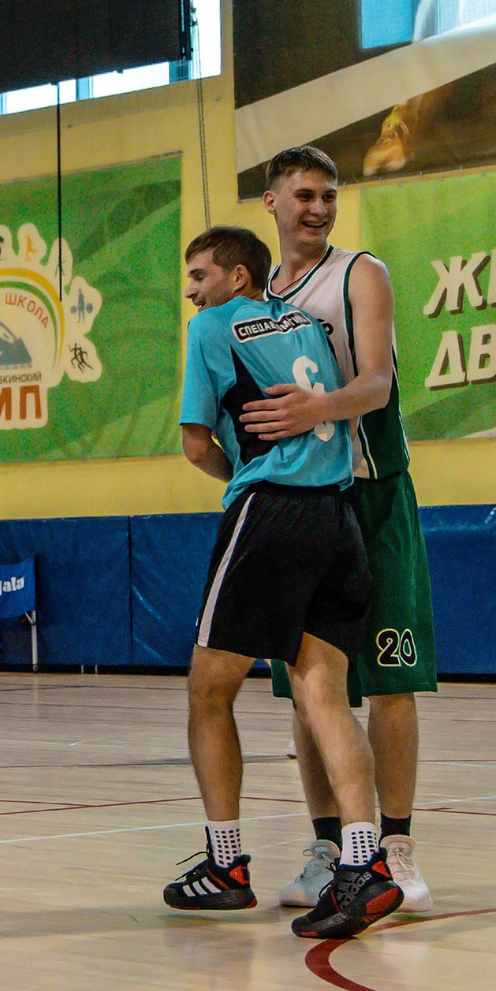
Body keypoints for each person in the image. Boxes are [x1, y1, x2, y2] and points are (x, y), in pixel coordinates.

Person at [171, 219, 399, 941]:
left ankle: (226, 864)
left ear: (238, 277)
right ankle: (365, 863)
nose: (192, 291)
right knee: (324, 693)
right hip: (339, 519)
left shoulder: (212, 330)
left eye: (200, 276)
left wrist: (237, 477)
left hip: (269, 511)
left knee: (209, 687)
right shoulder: (309, 324)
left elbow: (194, 442)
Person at [243, 144, 439, 914]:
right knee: (307, 688)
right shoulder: (255, 299)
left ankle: (395, 849)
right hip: (299, 504)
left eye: (328, 194)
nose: (319, 207)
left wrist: (311, 409)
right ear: (272, 202)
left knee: (389, 680)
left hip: (373, 495)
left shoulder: (361, 272)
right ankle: (327, 848)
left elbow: (377, 383)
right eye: (304, 194)